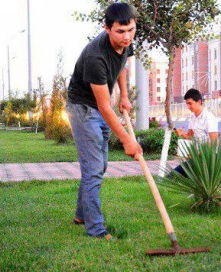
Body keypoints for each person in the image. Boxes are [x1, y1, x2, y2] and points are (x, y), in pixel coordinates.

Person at [65, 3, 142, 240]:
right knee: (93, 171)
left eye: (130, 29)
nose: (127, 36)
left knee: (100, 167)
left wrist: (126, 96)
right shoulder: (95, 57)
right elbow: (103, 107)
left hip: (100, 107)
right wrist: (127, 140)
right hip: (83, 109)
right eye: (120, 31)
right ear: (107, 28)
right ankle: (96, 229)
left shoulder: (125, 43)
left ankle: (81, 215)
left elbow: (122, 65)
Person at [173, 89, 218, 176]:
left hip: (209, 157)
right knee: (174, 175)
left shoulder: (209, 117)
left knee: (180, 176)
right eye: (187, 104)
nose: (188, 107)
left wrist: (200, 153)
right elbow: (190, 136)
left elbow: (214, 142)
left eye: (190, 103)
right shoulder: (192, 117)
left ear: (199, 102)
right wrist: (182, 133)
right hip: (197, 156)